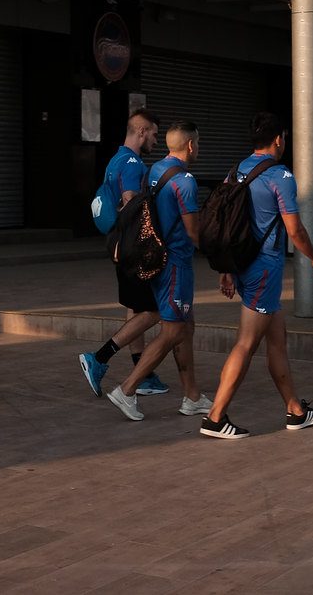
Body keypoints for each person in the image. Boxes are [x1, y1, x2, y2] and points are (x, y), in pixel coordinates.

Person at [201, 111, 313, 440]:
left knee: (277, 341)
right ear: (277, 140)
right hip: (264, 269)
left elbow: (228, 224)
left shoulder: (236, 170)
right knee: (246, 343)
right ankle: (215, 418)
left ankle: (296, 410)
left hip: (243, 266)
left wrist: (228, 270)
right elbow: (295, 229)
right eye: (283, 137)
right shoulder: (281, 177)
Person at [104, 122, 213, 420]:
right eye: (199, 143)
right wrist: (221, 253)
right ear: (191, 145)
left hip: (157, 259)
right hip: (176, 264)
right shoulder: (186, 182)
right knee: (173, 331)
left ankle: (192, 397)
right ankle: (127, 390)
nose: (199, 148)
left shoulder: (156, 170)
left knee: (185, 329)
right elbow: (193, 233)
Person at [79, 108, 170, 397]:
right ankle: (99, 358)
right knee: (154, 311)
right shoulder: (132, 163)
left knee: (136, 307)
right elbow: (132, 206)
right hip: (132, 247)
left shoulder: (116, 159)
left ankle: (142, 373)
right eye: (154, 134)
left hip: (120, 244)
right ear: (141, 131)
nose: (156, 140)